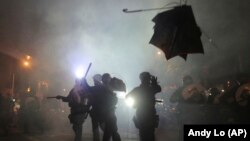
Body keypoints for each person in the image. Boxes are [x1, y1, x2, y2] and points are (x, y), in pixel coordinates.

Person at [126, 72, 161, 141]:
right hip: (150, 113)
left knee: (143, 134)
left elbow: (127, 97)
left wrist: (135, 103)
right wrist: (154, 83)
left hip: (141, 113)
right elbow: (158, 89)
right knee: (150, 134)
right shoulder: (151, 89)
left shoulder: (137, 89)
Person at [101, 73, 121, 141]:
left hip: (109, 113)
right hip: (109, 113)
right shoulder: (106, 88)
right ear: (105, 79)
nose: (111, 79)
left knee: (110, 132)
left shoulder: (107, 88)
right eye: (109, 78)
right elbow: (113, 101)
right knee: (111, 132)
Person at [89, 74, 104, 141]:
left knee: (103, 127)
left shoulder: (99, 88)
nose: (94, 81)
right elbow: (91, 100)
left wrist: (83, 81)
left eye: (94, 80)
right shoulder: (102, 87)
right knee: (96, 129)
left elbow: (87, 88)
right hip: (96, 112)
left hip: (100, 112)